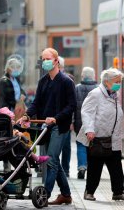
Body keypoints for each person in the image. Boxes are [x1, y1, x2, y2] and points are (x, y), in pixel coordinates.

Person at [24, 47, 76, 205]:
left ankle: (44, 195)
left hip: (59, 127)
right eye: (43, 59)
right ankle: (66, 194)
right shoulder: (43, 81)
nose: (45, 62)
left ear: (56, 61)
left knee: (51, 160)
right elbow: (36, 103)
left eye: (47, 59)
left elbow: (72, 106)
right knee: (54, 161)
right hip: (44, 127)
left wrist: (55, 118)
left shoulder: (66, 81)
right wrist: (26, 115)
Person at [76, 68, 124, 202]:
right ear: (107, 82)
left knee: (116, 168)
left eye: (120, 81)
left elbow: (119, 116)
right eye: (116, 81)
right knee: (95, 167)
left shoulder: (114, 95)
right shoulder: (95, 94)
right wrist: (89, 130)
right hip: (97, 138)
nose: (119, 84)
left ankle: (118, 192)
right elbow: (87, 112)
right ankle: (89, 192)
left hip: (113, 138)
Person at [0, 56, 27, 172]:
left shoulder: (16, 79)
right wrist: (19, 101)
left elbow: (21, 90)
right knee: (8, 136)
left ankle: (14, 161)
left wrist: (23, 96)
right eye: (15, 68)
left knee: (15, 135)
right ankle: (6, 165)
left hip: (16, 111)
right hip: (7, 112)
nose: (17, 70)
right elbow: (9, 97)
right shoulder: (4, 81)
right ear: (9, 68)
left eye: (19, 68)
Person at [74, 67, 97, 179]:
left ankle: (82, 167)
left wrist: (72, 121)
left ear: (82, 76)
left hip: (80, 122)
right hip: (95, 123)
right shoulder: (97, 89)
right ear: (93, 76)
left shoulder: (77, 88)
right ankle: (92, 169)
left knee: (81, 144)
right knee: (93, 146)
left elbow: (73, 106)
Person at [58, 56, 74, 178]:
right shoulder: (46, 79)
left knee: (66, 147)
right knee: (54, 150)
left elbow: (72, 104)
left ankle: (65, 170)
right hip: (53, 120)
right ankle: (60, 170)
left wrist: (72, 121)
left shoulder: (69, 80)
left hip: (65, 120)